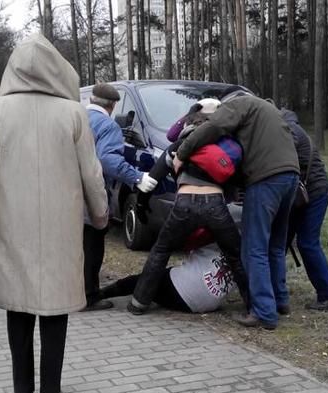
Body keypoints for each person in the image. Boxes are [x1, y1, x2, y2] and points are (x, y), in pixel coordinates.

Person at [0, 34, 108, 393]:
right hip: (61, 226)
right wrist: (100, 211)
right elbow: (91, 172)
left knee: (20, 308)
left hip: (12, 226)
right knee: (55, 309)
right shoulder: (74, 112)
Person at [175, 87, 300, 330]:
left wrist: (183, 151)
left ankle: (264, 312)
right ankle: (280, 300)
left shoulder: (239, 105)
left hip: (266, 180)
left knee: (254, 248)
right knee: (275, 244)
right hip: (291, 177)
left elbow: (213, 127)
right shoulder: (270, 111)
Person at [127, 98, 249, 316]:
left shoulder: (178, 146)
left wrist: (141, 204)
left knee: (161, 251)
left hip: (183, 204)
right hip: (215, 204)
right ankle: (253, 306)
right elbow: (237, 178)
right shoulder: (225, 144)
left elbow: (152, 180)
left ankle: (138, 303)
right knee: (234, 255)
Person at [83, 83, 158, 311]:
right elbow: (108, 160)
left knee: (75, 246)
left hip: (67, 192)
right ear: (113, 105)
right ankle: (89, 295)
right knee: (93, 245)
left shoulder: (75, 120)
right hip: (91, 193)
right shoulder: (108, 125)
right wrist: (137, 177)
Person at [100, 204, 243, 313]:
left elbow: (188, 240)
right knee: (167, 277)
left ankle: (101, 294)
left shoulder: (212, 240)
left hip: (182, 291)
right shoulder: (248, 255)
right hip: (209, 304)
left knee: (143, 279)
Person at [281, 108, 328, 311]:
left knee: (308, 243)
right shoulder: (291, 127)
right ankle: (276, 288)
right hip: (304, 194)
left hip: (314, 193)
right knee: (280, 242)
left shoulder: (289, 131)